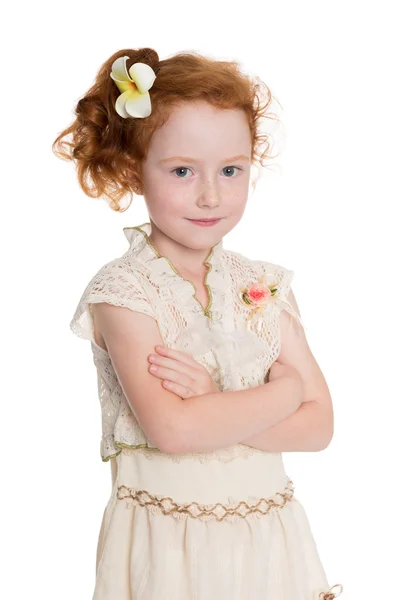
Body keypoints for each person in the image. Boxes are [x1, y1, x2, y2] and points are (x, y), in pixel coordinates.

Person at [53, 47, 344, 600]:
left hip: (268, 542)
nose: (211, 194)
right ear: (133, 170)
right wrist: (283, 392)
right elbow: (176, 431)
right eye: (183, 170)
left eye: (230, 170)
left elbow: (320, 426)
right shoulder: (125, 293)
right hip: (170, 549)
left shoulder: (260, 285)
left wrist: (213, 400)